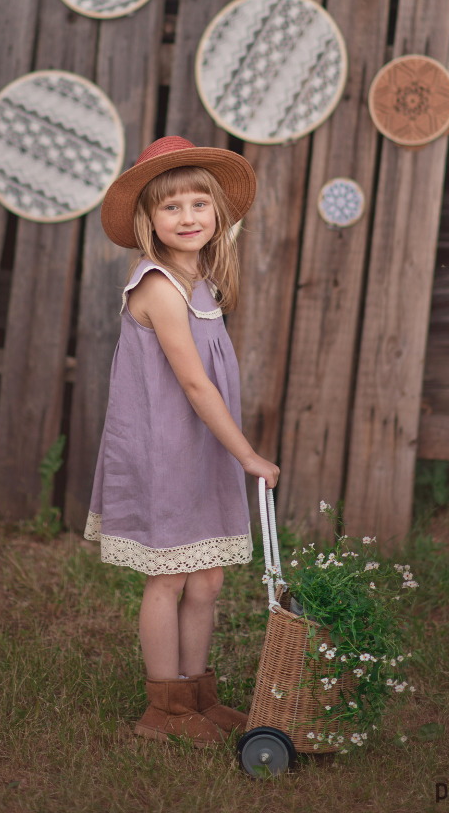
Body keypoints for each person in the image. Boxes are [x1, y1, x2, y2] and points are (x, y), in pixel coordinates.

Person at [85, 135, 280, 746]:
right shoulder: (158, 287)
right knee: (168, 578)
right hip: (164, 450)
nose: (188, 217)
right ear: (148, 219)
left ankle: (197, 690)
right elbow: (194, 385)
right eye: (172, 207)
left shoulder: (202, 283)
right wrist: (246, 453)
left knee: (208, 577)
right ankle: (164, 708)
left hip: (200, 448)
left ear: (218, 213)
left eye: (200, 203)